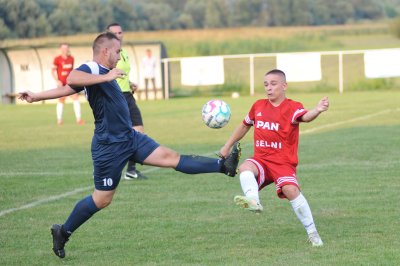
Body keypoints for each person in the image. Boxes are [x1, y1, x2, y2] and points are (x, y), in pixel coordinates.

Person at [18, 32, 241, 259]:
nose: (119, 54)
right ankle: (63, 231)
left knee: (170, 157)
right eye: (116, 50)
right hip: (109, 147)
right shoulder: (94, 69)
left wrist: (36, 96)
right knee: (102, 199)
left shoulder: (102, 74)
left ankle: (223, 166)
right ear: (105, 51)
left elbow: (69, 89)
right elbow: (73, 79)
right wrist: (106, 78)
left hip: (130, 138)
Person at [219, 69, 329, 247]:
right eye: (266, 84)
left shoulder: (292, 107)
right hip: (261, 160)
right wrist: (226, 146)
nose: (268, 88)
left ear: (284, 86)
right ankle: (254, 201)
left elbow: (306, 117)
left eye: (273, 84)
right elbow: (244, 126)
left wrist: (317, 110)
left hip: (283, 163)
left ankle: (313, 233)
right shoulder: (258, 106)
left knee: (291, 191)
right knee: (245, 168)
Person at [106, 22, 147, 180]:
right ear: (108, 35)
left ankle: (131, 170)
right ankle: (107, 169)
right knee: (119, 136)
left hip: (128, 96)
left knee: (139, 132)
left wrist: (130, 83)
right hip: (116, 98)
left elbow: (121, 74)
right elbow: (105, 75)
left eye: (120, 32)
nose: (118, 35)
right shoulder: (107, 54)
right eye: (115, 33)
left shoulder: (124, 52)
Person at [52, 43, 84, 125]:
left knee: (75, 98)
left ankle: (79, 119)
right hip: (61, 83)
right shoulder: (57, 59)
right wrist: (57, 80)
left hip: (70, 83)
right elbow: (53, 71)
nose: (65, 50)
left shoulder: (71, 58)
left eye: (66, 48)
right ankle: (59, 120)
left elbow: (72, 70)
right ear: (60, 49)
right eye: (63, 48)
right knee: (61, 100)